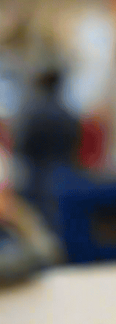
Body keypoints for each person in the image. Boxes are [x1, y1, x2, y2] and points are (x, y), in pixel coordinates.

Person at [14, 69, 81, 230]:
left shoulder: (33, 114)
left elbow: (21, 145)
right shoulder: (67, 114)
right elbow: (76, 142)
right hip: (65, 172)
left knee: (41, 220)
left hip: (38, 176)